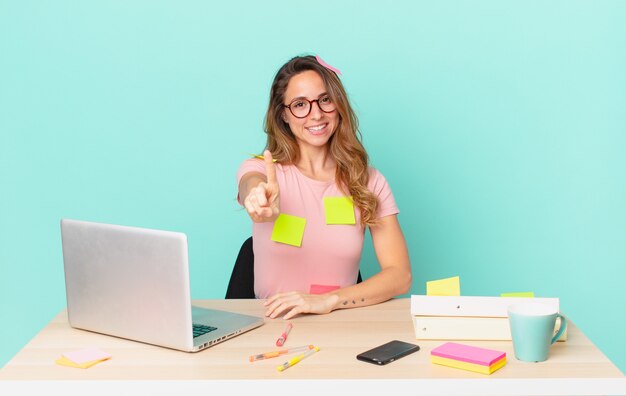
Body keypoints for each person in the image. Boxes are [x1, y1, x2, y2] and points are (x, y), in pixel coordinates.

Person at [237, 54, 411, 320]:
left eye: (324, 100)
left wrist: (328, 300)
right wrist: (256, 196)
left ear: (337, 104)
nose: (316, 114)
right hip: (271, 325)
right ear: (283, 114)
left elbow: (400, 275)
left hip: (339, 324)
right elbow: (251, 182)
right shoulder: (263, 169)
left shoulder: (368, 182)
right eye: (300, 104)